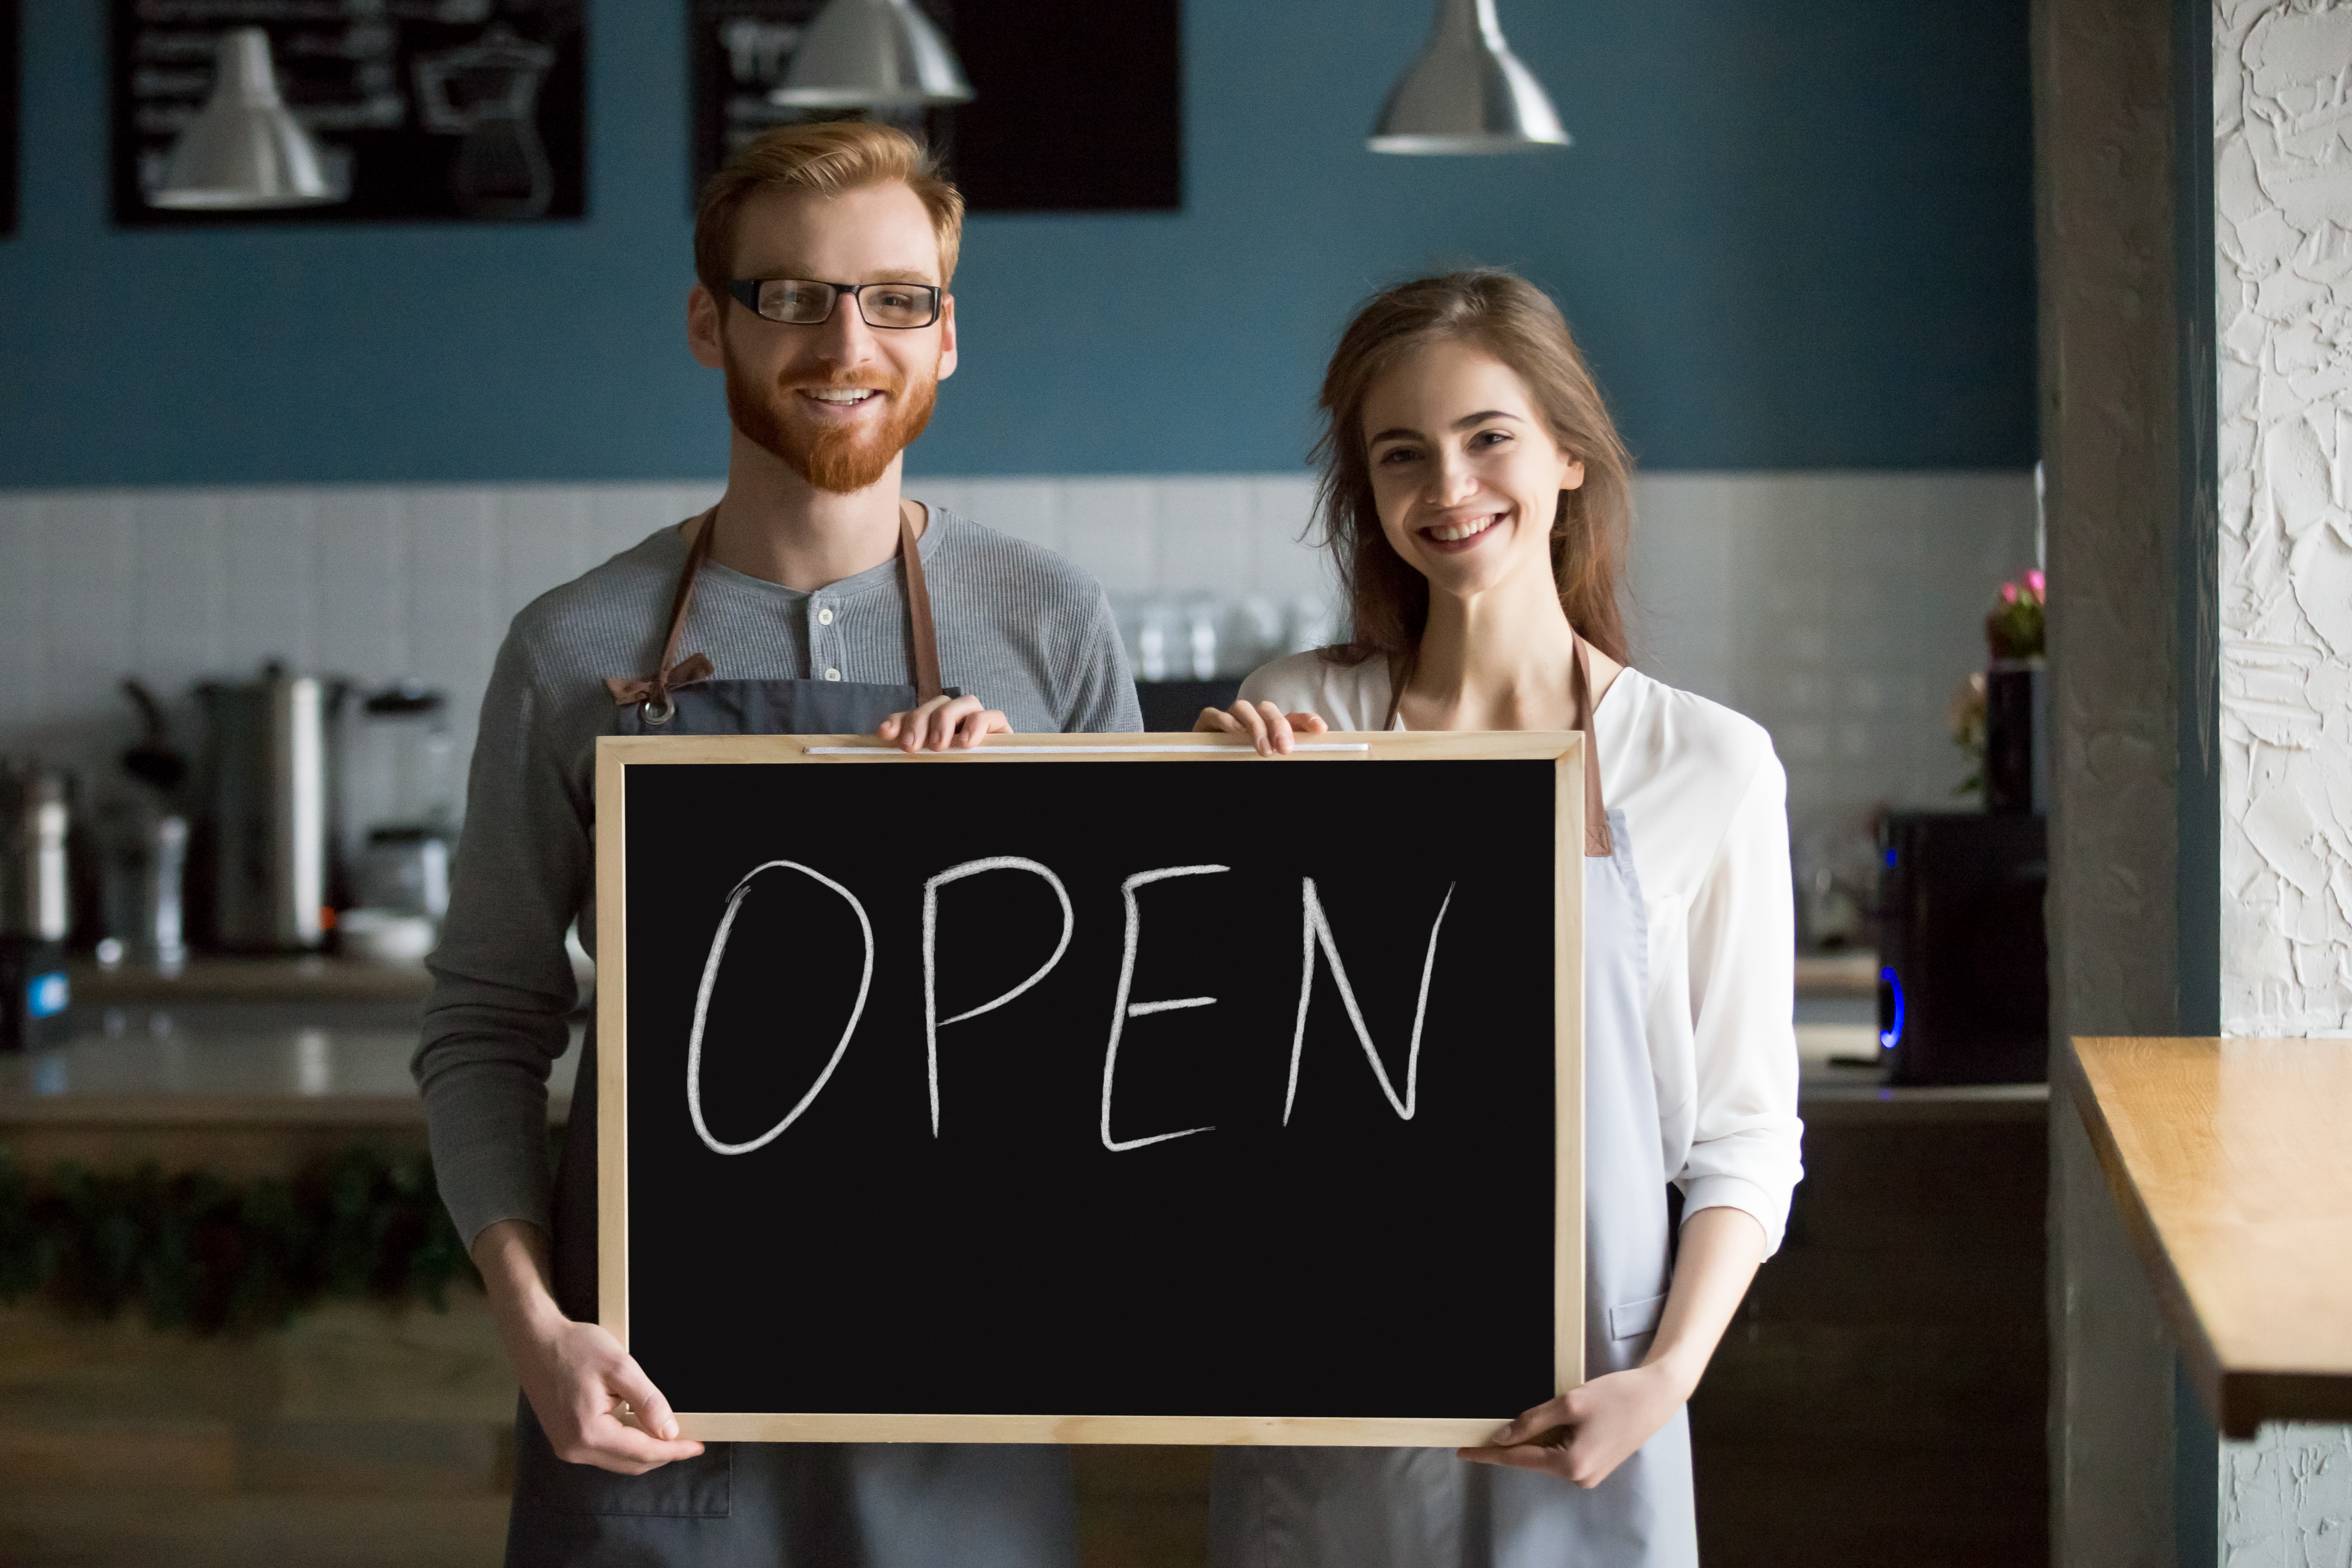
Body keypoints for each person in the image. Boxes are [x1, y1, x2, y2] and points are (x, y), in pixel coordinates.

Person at [412, 121, 1139, 1567]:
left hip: (966, 1401)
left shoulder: (1051, 626)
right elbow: (487, 1023)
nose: (844, 339)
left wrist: (1032, 865)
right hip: (655, 1398)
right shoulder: (575, 648)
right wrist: (537, 1327)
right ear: (709, 322)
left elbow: (1143, 1023)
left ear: (945, 338)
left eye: (894, 297)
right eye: (792, 296)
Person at [1196, 270, 1803, 1567]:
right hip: (1328, 1385)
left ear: (1570, 454)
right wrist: (1213, 831)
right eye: (1402, 455)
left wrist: (1666, 1378)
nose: (1449, 488)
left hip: (1590, 1394)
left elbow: (1748, 1138)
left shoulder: (1707, 764)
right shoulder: (1301, 714)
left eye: (1489, 439)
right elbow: (1220, 1089)